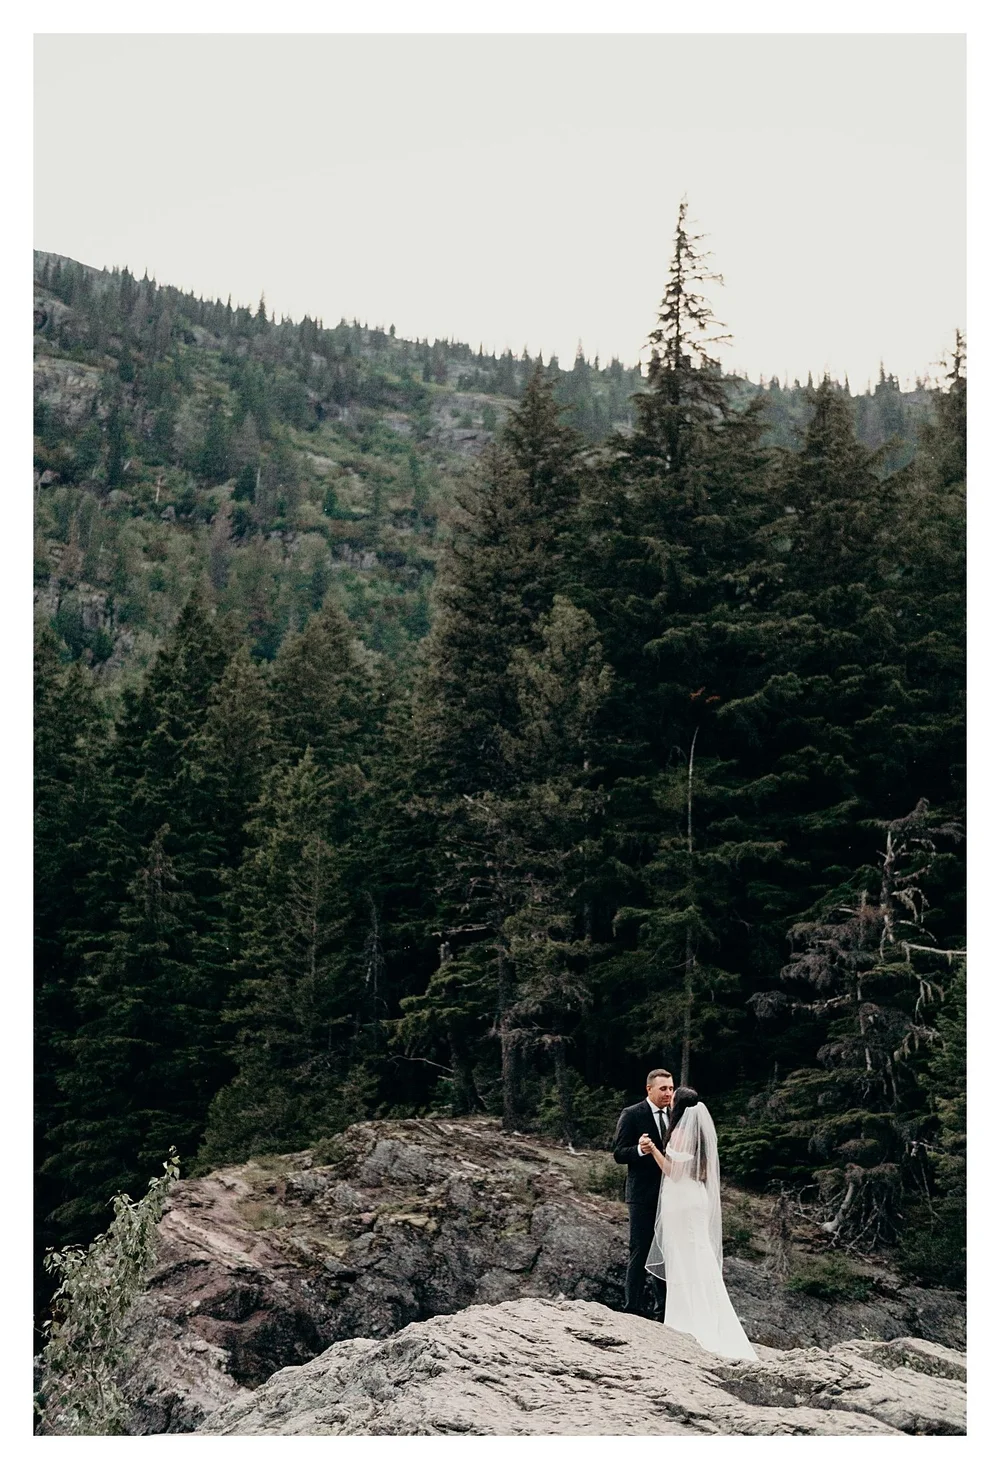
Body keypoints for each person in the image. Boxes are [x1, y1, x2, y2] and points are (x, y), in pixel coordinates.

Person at [641, 1086, 757, 1360]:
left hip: (681, 1200)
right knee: (698, 1255)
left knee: (683, 1257)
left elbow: (674, 1171)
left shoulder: (681, 1132)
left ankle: (690, 1322)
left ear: (679, 1105)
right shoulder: (703, 1134)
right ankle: (707, 1317)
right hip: (696, 1197)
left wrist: (654, 1150)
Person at [611, 1068, 674, 1317]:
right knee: (640, 1249)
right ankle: (632, 1308)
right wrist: (639, 1149)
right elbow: (618, 1153)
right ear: (649, 1089)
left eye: (670, 1088)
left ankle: (664, 1310)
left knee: (666, 1251)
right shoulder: (632, 1114)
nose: (668, 1093)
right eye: (663, 1089)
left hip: (671, 1195)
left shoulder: (677, 1115)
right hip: (641, 1195)